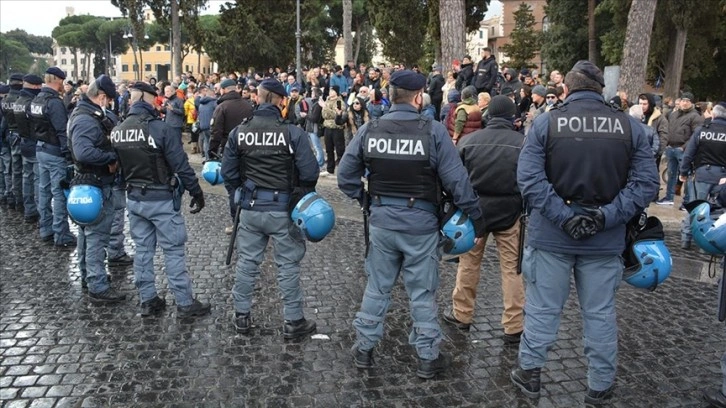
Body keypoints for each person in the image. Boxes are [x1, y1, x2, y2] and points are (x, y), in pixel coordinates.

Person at [510, 61, 658, 405]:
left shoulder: (546, 122)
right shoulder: (629, 126)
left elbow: (529, 180)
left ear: (567, 89)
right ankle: (600, 385)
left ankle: (530, 372)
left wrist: (564, 217)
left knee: (543, 310)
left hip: (552, 236)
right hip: (604, 238)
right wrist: (606, 217)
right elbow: (646, 184)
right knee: (600, 313)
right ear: (600, 90)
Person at [337, 70, 487, 379]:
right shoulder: (431, 131)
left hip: (382, 222)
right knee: (422, 293)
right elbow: (457, 182)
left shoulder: (370, 128)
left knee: (377, 287)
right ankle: (427, 358)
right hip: (420, 225)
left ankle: (364, 349)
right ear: (419, 97)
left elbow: (344, 176)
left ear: (391, 96)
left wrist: (366, 201)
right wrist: (476, 217)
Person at [220, 78, 319, 338]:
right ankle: (293, 321)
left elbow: (228, 173)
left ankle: (241, 316)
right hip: (282, 208)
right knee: (287, 265)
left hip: (250, 208)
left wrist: (238, 197)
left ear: (259, 98)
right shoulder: (291, 132)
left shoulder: (240, 132)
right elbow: (310, 173)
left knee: (248, 263)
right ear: (279, 100)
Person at [110, 81, 210, 317]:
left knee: (143, 250)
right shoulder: (160, 128)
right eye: (154, 98)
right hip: (161, 198)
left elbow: (117, 166)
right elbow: (181, 165)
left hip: (134, 197)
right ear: (147, 98)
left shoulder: (119, 129)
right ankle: (184, 302)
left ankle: (148, 299)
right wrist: (196, 191)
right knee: (173, 250)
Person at [443, 95, 525, 345]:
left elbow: (455, 179)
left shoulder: (469, 141)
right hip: (510, 212)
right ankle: (514, 325)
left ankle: (462, 314)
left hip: (474, 212)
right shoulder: (523, 143)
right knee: (512, 270)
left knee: (468, 264)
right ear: (512, 117)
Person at [67, 75, 124, 301]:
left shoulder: (84, 114)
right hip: (96, 182)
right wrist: (111, 158)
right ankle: (97, 284)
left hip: (90, 181)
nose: (109, 104)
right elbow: (83, 152)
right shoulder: (86, 119)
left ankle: (88, 275)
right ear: (101, 96)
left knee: (86, 233)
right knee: (97, 235)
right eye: (108, 100)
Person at [30, 67, 77, 247]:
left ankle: (46, 228)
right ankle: (61, 234)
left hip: (40, 148)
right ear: (57, 80)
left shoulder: (38, 99)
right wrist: (68, 154)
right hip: (54, 151)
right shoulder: (54, 102)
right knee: (58, 194)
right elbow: (61, 130)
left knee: (43, 190)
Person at [678, 101, 726, 249]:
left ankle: (686, 238)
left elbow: (689, 153)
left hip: (702, 174)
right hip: (723, 177)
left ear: (713, 114)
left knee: (696, 206)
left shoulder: (701, 130)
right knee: (718, 211)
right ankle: (711, 242)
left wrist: (683, 172)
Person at [210, 78, 253, 235]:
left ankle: (237, 223)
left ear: (223, 90)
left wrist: (211, 152)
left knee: (233, 188)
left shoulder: (222, 107)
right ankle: (249, 221)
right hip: (249, 152)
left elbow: (215, 132)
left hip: (229, 152)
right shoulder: (248, 106)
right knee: (248, 185)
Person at [657, 92, 703, 206]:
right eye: (683, 100)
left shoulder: (695, 116)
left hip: (683, 150)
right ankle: (669, 197)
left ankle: (687, 201)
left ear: (691, 103)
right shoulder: (673, 114)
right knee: (671, 174)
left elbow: (696, 135)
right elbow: (667, 129)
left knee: (685, 175)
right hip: (671, 148)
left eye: (688, 101)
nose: (685, 103)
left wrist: (684, 147)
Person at [12, 74, 43, 223]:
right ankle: (35, 210)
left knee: (27, 177)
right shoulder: (32, 102)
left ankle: (28, 208)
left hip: (23, 141)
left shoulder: (19, 101)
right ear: (36, 86)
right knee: (37, 180)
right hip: (34, 142)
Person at [0, 74, 24, 210]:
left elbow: (4, 122)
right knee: (24, 172)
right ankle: (20, 200)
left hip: (9, 135)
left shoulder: (5, 100)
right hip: (21, 136)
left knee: (12, 170)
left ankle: (13, 198)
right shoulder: (21, 99)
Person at [321, 85, 347, 176]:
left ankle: (343, 169)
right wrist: (326, 108)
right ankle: (330, 169)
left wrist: (325, 107)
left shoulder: (339, 102)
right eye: (330, 91)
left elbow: (337, 115)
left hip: (336, 128)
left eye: (332, 91)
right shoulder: (328, 101)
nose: (330, 92)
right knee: (329, 149)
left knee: (340, 150)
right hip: (327, 127)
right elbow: (324, 115)